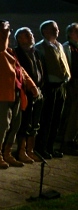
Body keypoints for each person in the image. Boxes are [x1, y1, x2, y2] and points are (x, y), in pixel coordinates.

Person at [0, 20, 38, 169]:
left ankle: (7, 154)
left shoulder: (10, 51)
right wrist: (5, 28)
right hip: (1, 92)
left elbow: (20, 69)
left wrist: (31, 85)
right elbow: (1, 45)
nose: (7, 36)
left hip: (16, 92)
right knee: (2, 125)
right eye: (4, 33)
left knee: (15, 124)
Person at [34, 20, 71, 159]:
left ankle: (50, 147)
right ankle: (41, 147)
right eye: (53, 29)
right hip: (49, 86)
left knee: (56, 119)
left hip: (61, 85)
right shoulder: (40, 47)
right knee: (46, 119)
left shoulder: (59, 45)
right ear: (45, 31)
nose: (57, 31)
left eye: (57, 28)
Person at [13, 27, 45, 163]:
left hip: (38, 91)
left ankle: (30, 150)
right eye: (27, 34)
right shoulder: (16, 53)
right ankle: (21, 151)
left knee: (35, 123)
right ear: (19, 39)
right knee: (25, 123)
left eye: (30, 33)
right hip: (25, 93)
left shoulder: (35, 52)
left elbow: (40, 71)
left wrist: (39, 87)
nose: (31, 36)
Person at [59, 23, 78, 155]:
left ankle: (72, 140)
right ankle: (66, 141)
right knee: (72, 113)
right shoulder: (67, 47)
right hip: (72, 83)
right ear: (71, 33)